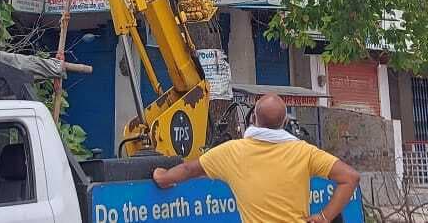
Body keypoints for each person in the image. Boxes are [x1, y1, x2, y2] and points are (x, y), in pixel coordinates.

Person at [153, 93, 360, 223]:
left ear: (253, 119)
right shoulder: (304, 152)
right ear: (285, 121)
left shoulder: (233, 152)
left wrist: (164, 177)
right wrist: (324, 217)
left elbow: (189, 169)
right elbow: (350, 177)